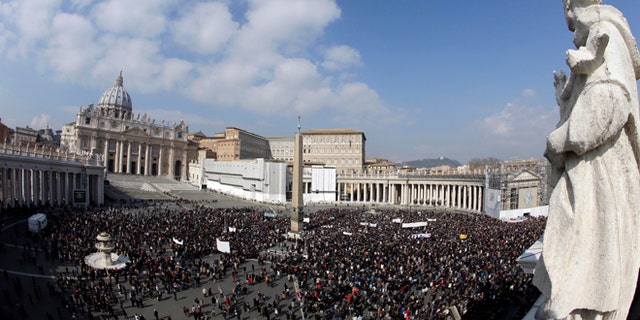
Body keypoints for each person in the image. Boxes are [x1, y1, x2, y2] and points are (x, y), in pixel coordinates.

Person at [533, 0, 640, 319]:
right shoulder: (601, 36)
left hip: (598, 175)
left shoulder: (604, 33)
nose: (572, 37)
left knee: (586, 258)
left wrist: (559, 140)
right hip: (595, 169)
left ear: (570, 6)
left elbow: (609, 102)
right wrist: (565, 100)